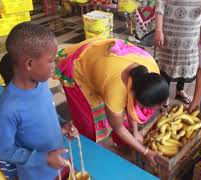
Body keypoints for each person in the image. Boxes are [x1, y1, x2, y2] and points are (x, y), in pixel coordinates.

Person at [55, 38, 169, 166]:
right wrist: (146, 152)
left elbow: (131, 106)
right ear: (133, 94)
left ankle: (123, 146)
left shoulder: (152, 70)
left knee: (121, 116)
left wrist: (136, 132)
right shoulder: (115, 90)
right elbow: (118, 127)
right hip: (81, 67)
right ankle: (88, 156)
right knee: (89, 125)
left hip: (104, 61)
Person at [0, 22, 77, 180]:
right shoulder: (8, 108)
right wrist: (43, 158)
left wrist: (62, 123)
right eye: (51, 60)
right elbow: (3, 150)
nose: (55, 64)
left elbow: (48, 112)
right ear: (30, 64)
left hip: (60, 163)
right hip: (38, 175)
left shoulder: (42, 83)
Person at [155, 0, 201, 105]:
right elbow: (160, 3)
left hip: (193, 30)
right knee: (167, 62)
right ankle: (164, 96)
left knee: (187, 60)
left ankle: (180, 90)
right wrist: (158, 30)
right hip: (171, 29)